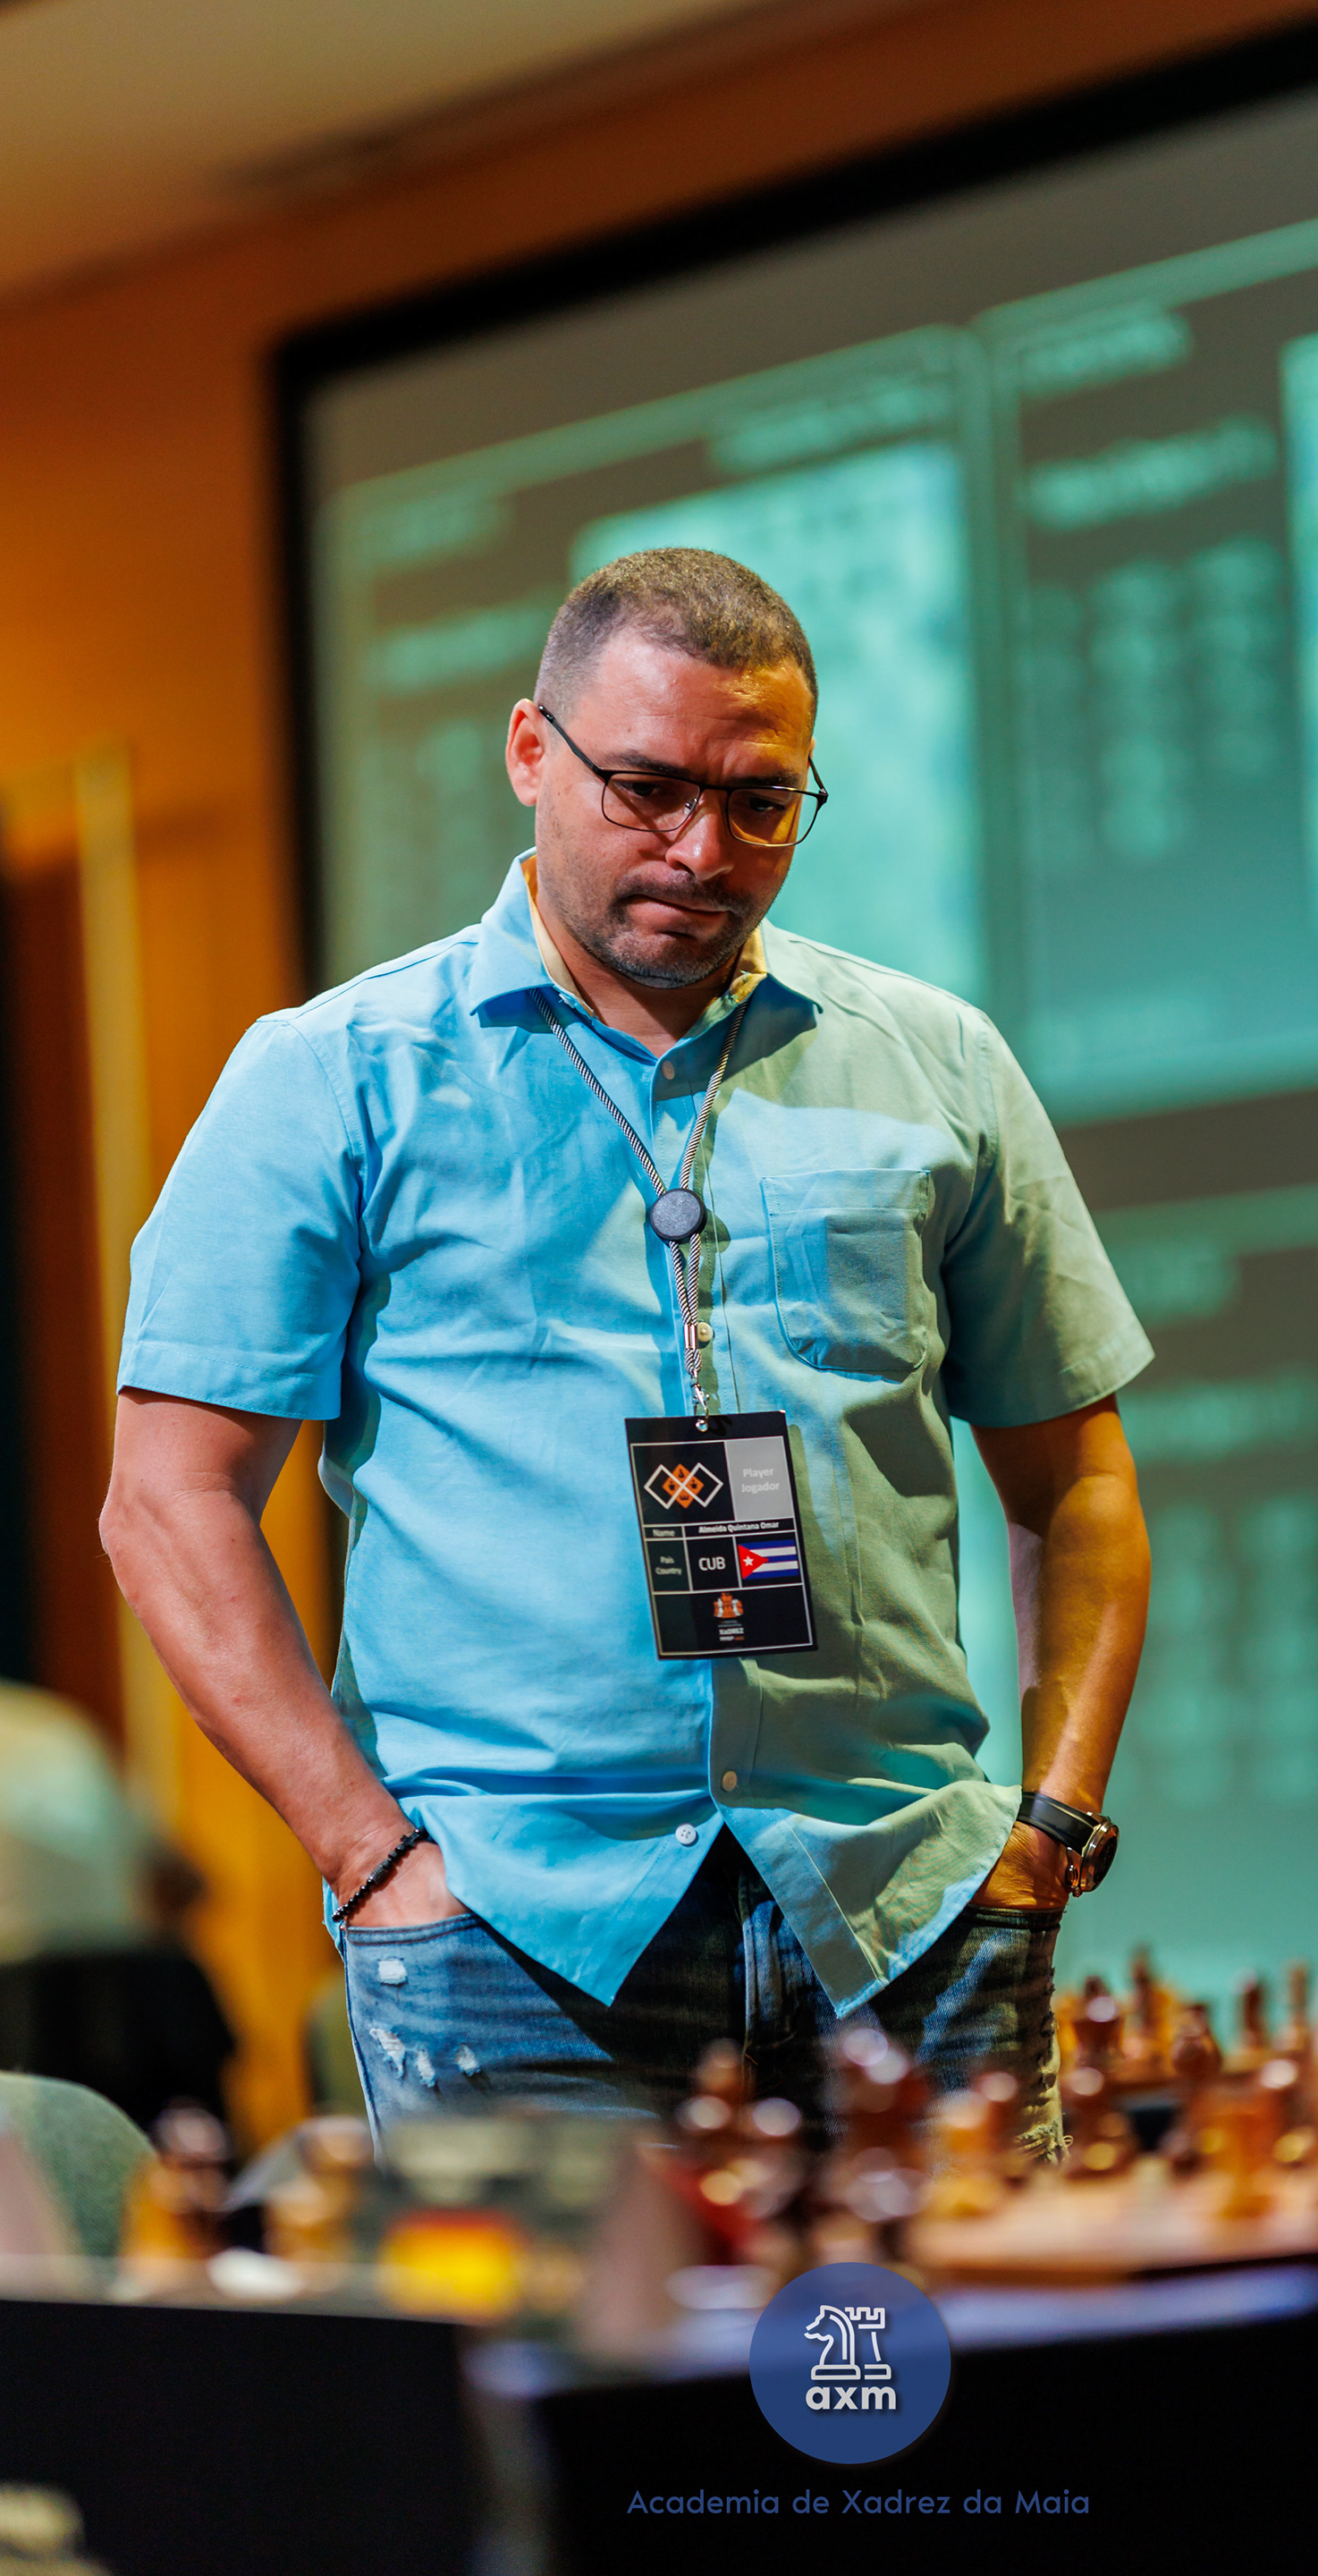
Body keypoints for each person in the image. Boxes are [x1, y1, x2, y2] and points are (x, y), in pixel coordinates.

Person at [100, 547, 1152, 2148]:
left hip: (912, 1919)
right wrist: (368, 1856)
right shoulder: (333, 1078)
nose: (701, 849)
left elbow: (1077, 1482)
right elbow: (167, 1501)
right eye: (648, 788)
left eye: (761, 802)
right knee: (558, 2341)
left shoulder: (935, 1064)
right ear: (532, 751)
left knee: (955, 2332)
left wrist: (1053, 1827)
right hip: (514, 1940)